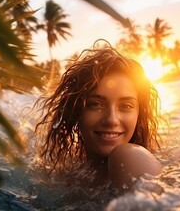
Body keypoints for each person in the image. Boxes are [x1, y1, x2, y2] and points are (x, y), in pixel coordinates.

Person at [32, 40, 164, 190]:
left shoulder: (128, 156)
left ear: (138, 114)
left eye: (126, 106)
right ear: (75, 110)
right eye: (95, 104)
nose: (112, 119)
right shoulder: (68, 171)